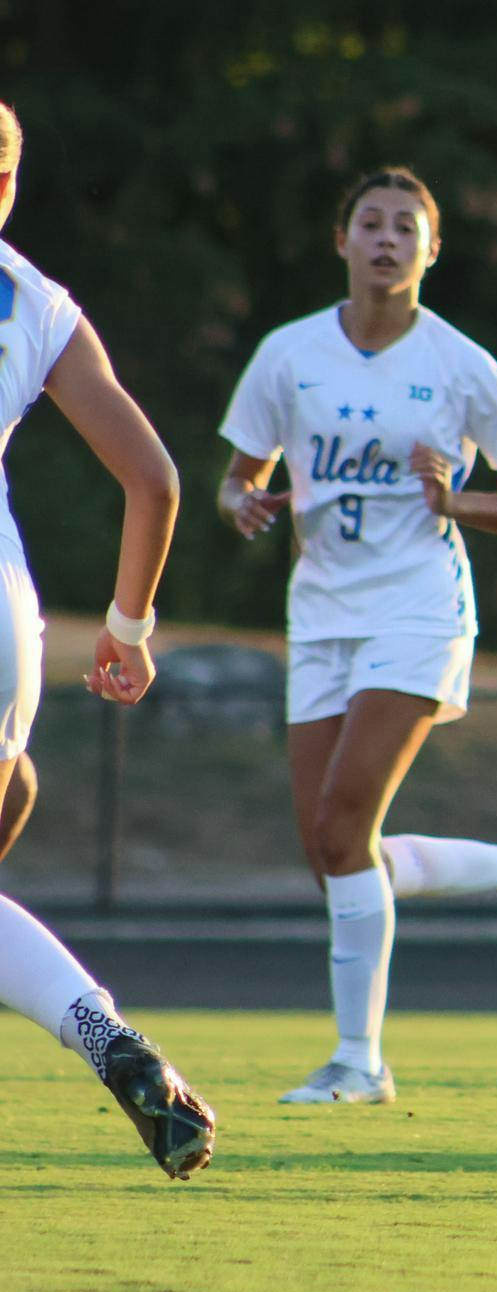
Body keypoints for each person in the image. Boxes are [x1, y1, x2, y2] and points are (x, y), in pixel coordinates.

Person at [218, 165, 497, 1105]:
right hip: (321, 614)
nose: (386, 239)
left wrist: (455, 498)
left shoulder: (459, 364)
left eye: (405, 227)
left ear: (431, 249)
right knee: (334, 848)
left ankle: (358, 1060)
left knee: (343, 829)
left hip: (418, 606)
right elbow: (236, 475)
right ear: (341, 241)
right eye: (370, 223)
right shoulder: (289, 355)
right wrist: (240, 502)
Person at [0, 101, 214, 1178]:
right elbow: (157, 481)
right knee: (15, 790)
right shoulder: (39, 301)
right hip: (7, 622)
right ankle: (109, 1039)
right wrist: (127, 629)